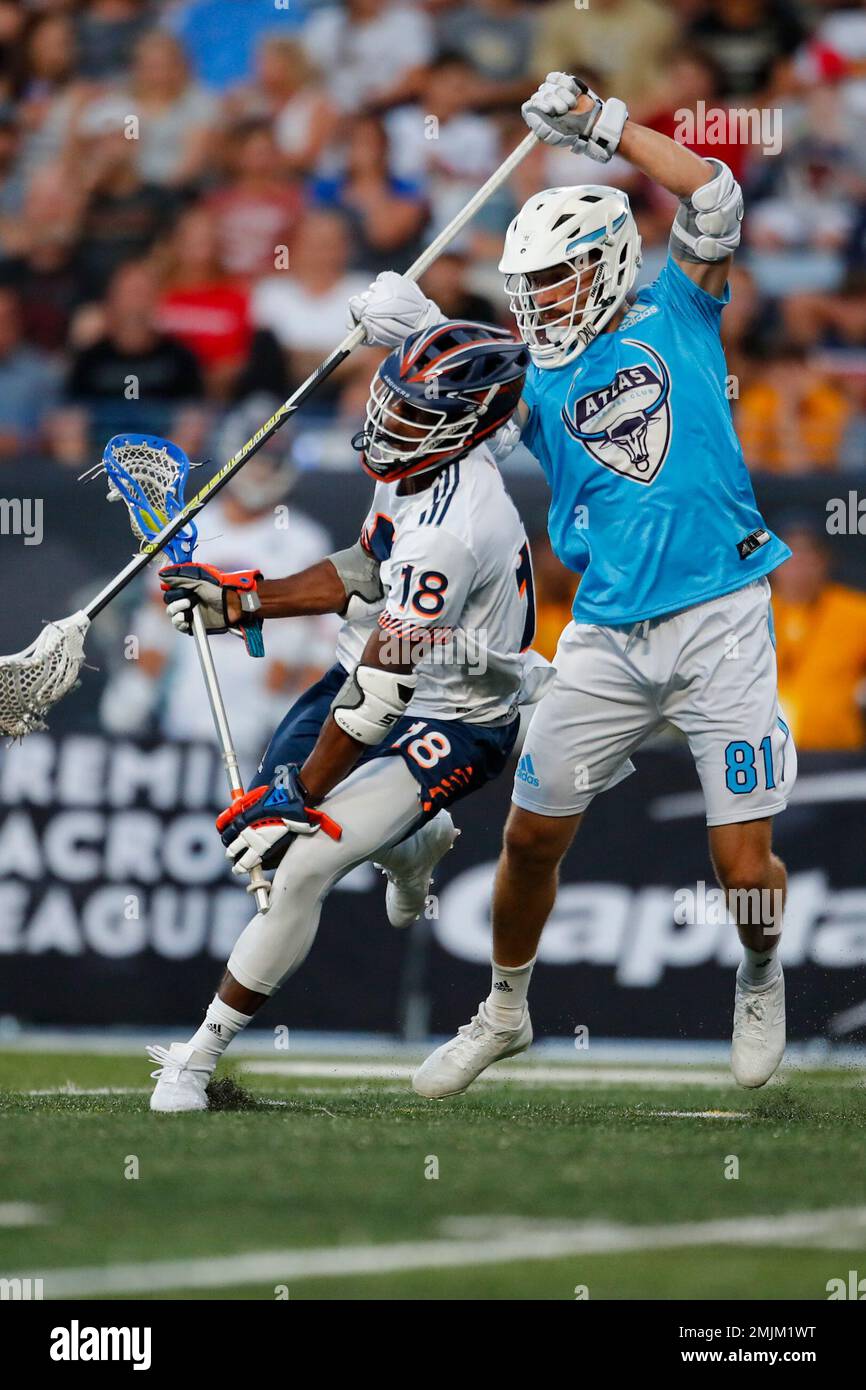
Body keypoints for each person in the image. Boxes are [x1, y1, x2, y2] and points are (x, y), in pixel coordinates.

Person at [350, 71, 798, 1095]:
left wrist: (602, 124)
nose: (535, 307)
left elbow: (712, 194)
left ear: (600, 269)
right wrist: (408, 328)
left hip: (719, 618)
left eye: (549, 285)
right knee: (529, 838)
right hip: (602, 630)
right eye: (525, 293)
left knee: (741, 870)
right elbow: (454, 406)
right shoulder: (531, 375)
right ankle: (504, 1008)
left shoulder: (675, 314)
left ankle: (761, 970)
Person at [147, 321, 551, 1112]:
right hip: (362, 670)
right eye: (391, 401)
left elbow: (380, 698)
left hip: (457, 713)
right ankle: (414, 843)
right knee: (273, 847)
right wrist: (243, 599)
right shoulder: (416, 468)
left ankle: (198, 1056)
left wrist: (294, 796)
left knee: (295, 860)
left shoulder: (453, 527)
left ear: (468, 425)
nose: (387, 421)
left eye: (413, 412)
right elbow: (365, 568)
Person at [771, 519, 866, 751]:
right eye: (789, 558)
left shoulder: (856, 613)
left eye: (808, 557)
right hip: (765, 756)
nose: (798, 567)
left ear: (825, 562)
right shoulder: (751, 613)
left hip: (835, 751)